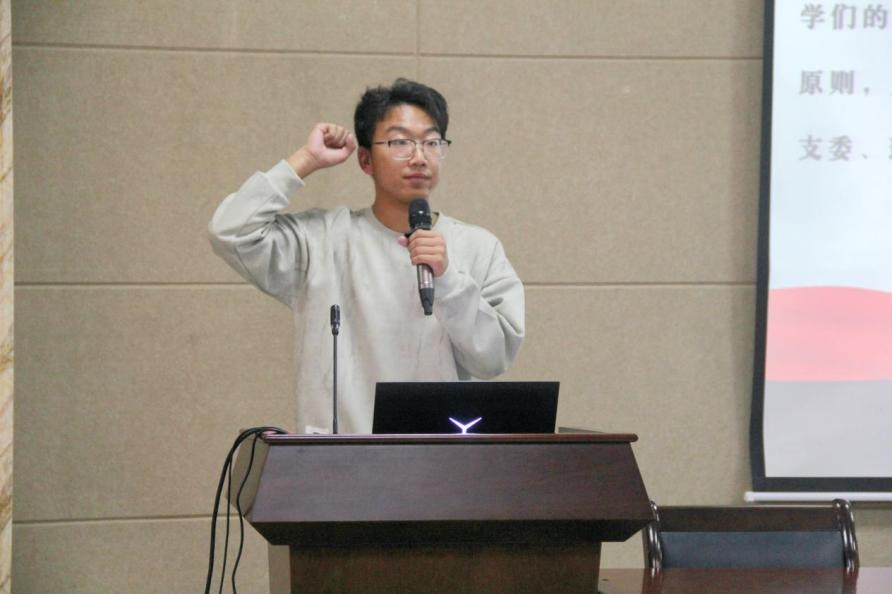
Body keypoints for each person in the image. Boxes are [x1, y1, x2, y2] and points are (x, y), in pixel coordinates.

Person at [208, 78, 524, 434]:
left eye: (431, 142)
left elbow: (494, 358)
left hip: (440, 457)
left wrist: (449, 279)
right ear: (365, 159)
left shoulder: (478, 246)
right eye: (400, 142)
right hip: (342, 459)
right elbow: (230, 231)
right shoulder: (323, 239)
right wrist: (305, 160)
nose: (419, 157)